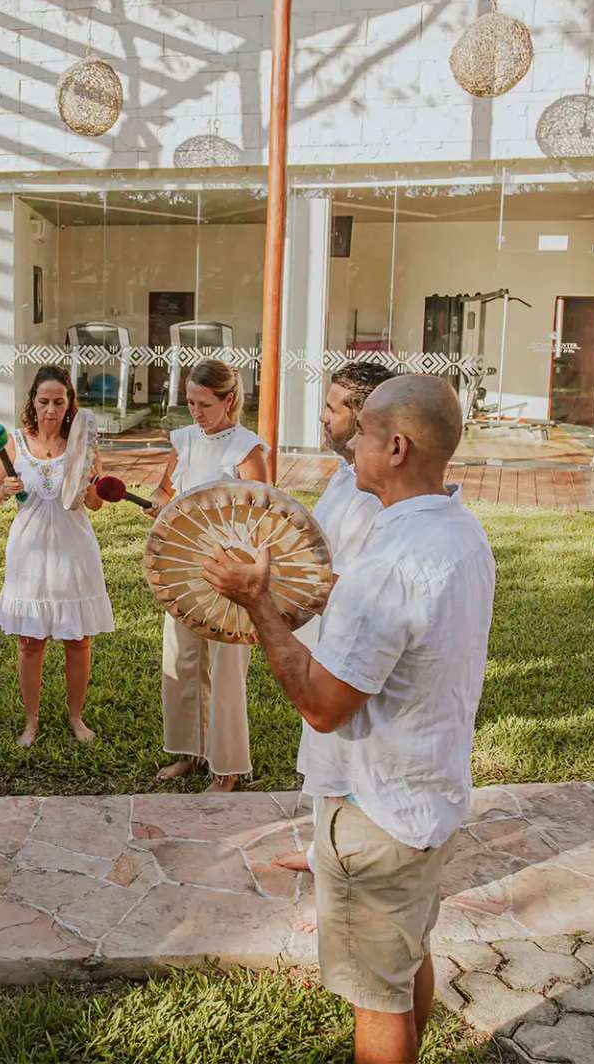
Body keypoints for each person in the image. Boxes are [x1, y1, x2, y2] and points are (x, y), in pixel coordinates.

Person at [203, 374, 495, 1064]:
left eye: (361, 431)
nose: (350, 442)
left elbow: (322, 704)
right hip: (428, 794)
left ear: (394, 447)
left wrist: (255, 603)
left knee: (377, 999)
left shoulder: (390, 562)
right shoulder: (459, 531)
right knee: (405, 961)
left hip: (378, 811)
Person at [274, 359, 394, 876]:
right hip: (326, 638)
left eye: (331, 406)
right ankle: (321, 849)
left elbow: (363, 582)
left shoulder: (381, 492)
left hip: (358, 643)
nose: (323, 417)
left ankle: (347, 865)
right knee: (328, 755)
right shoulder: (344, 478)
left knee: (356, 759)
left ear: (362, 414)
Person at [143, 358, 268, 793]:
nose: (194, 412)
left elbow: (262, 517)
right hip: (184, 566)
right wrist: (158, 501)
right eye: (189, 402)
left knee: (225, 669)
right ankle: (190, 751)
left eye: (203, 404)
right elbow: (165, 489)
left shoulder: (247, 450)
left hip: (230, 571)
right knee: (182, 657)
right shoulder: (185, 441)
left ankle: (227, 767)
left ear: (228, 399)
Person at [0, 365, 114, 747]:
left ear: (70, 402)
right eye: (44, 402)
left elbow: (94, 504)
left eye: (60, 401)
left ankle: (76, 717)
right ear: (33, 402)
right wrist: (3, 490)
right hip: (29, 550)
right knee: (30, 641)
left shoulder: (84, 443)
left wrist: (92, 484)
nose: (52, 410)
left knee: (78, 640)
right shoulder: (12, 443)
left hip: (74, 548)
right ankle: (31, 721)